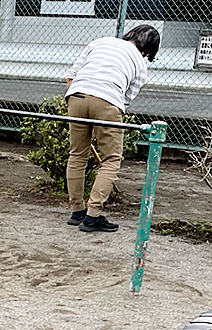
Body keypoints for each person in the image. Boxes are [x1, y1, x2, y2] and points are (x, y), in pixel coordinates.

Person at [63, 25, 160, 233]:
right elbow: (125, 101)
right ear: (149, 50)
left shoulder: (100, 41)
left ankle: (76, 211)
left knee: (77, 155)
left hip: (76, 95)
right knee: (111, 160)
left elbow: (72, 75)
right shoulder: (140, 64)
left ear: (129, 35)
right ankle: (92, 216)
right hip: (108, 101)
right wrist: (104, 119)